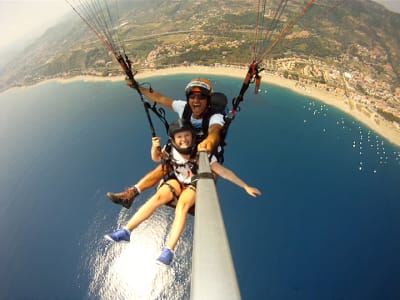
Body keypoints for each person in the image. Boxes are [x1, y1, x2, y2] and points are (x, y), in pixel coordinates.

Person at [105, 119, 261, 265]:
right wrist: (154, 148)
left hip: (194, 183)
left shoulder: (203, 155)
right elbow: (157, 158)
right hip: (178, 180)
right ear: (174, 138)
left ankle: (169, 250)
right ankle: (126, 231)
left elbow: (224, 172)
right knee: (158, 197)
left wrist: (245, 186)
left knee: (182, 205)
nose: (184, 139)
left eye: (187, 135)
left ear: (193, 137)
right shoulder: (171, 149)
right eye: (180, 136)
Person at [106, 78, 226, 209]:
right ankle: (132, 194)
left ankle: (205, 200)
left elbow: (214, 131)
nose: (196, 101)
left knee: (209, 172)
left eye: (201, 97)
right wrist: (138, 87)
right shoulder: (184, 107)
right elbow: (159, 97)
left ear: (208, 99)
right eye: (192, 96)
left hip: (203, 154)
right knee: (164, 167)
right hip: (185, 149)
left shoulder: (216, 116)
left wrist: (209, 142)